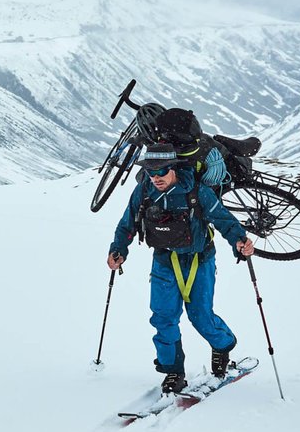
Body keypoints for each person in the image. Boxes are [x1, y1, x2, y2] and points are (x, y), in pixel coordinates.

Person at [106, 142, 256, 393]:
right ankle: (173, 372)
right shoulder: (144, 191)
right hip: (164, 261)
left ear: (173, 168)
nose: (156, 177)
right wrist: (118, 249)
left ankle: (223, 345)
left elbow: (223, 219)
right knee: (163, 318)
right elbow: (127, 223)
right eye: (151, 172)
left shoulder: (197, 191)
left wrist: (240, 241)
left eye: (161, 171)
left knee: (201, 316)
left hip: (200, 259)